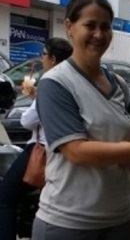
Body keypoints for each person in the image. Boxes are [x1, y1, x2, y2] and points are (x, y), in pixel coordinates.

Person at [32, 0, 130, 240]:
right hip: (69, 223)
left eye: (106, 27)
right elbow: (76, 151)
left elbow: (127, 147)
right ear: (69, 27)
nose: (99, 34)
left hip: (119, 217)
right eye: (90, 25)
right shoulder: (56, 83)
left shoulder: (119, 85)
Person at [0, 37, 73, 240]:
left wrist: (35, 102)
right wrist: (35, 98)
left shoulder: (52, 82)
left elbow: (27, 121)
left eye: (43, 54)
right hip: (66, 152)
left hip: (42, 150)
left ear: (53, 58)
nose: (41, 59)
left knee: (4, 197)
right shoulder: (73, 81)